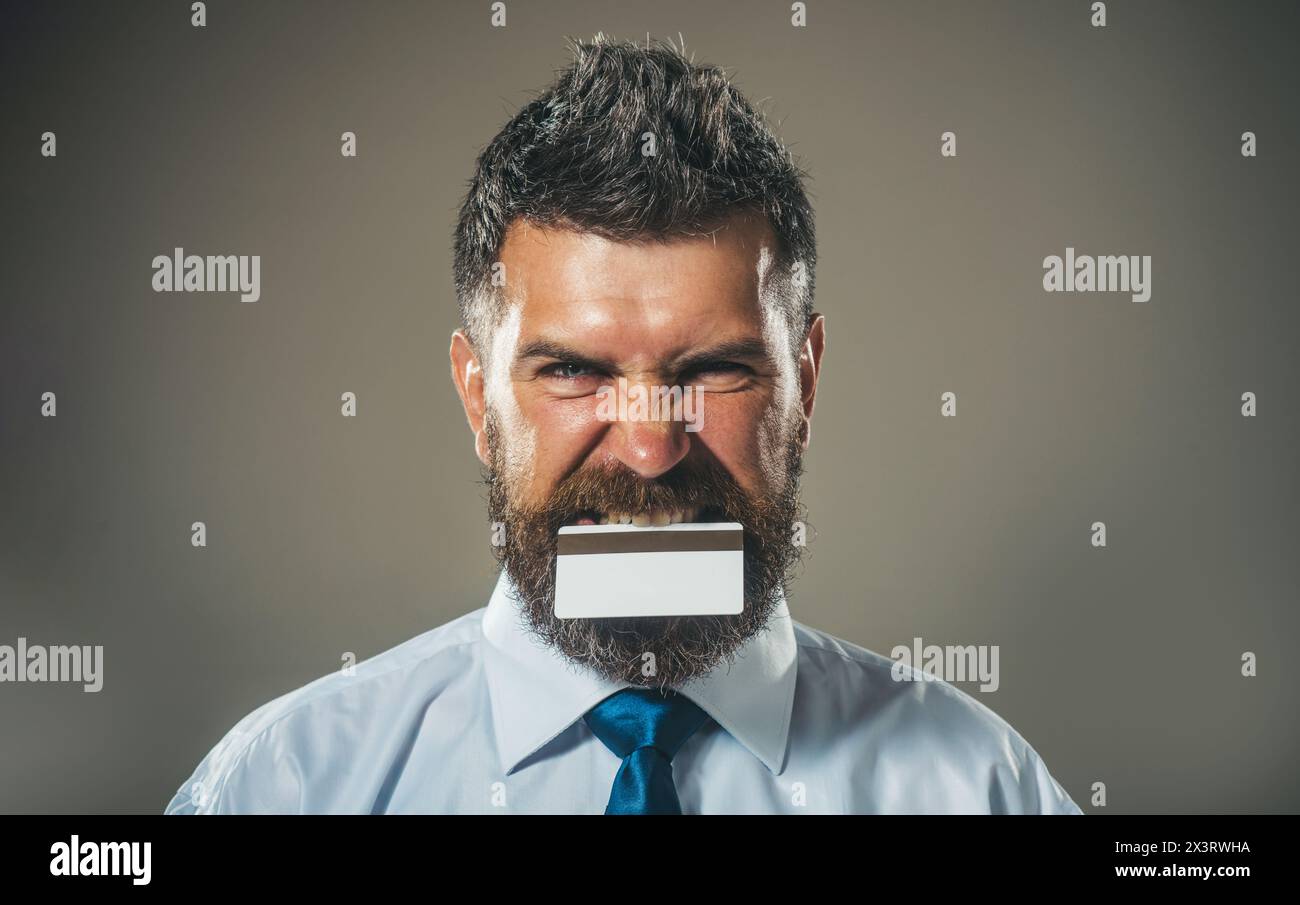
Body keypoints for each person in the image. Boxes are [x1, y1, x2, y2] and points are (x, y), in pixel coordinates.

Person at [166, 36, 1081, 815]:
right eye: (573, 371)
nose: (649, 448)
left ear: (804, 385)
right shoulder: (287, 787)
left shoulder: (979, 789)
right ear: (477, 397)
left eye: (714, 370)